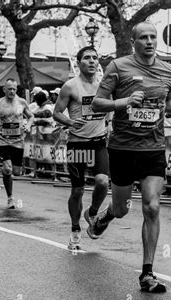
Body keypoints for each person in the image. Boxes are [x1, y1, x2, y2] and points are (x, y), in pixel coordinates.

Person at [91, 21, 171, 292]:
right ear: (133, 41)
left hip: (153, 148)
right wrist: (123, 102)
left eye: (153, 37)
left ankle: (147, 273)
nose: (149, 41)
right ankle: (107, 216)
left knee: (152, 206)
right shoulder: (118, 66)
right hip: (122, 148)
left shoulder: (169, 69)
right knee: (122, 209)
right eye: (143, 37)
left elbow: (167, 103)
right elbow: (98, 103)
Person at [53, 46, 110, 250]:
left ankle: (92, 211)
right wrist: (69, 123)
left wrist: (109, 124)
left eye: (95, 58)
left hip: (98, 142)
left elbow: (109, 107)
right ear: (78, 63)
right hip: (78, 144)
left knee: (103, 182)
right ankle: (75, 228)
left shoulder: (104, 85)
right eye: (87, 58)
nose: (92, 61)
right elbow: (57, 113)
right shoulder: (70, 86)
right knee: (77, 190)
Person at [0, 78, 34, 209]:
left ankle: (9, 178)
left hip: (18, 141)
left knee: (16, 172)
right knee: (7, 169)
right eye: (9, 89)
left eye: (14, 89)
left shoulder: (22, 102)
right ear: (4, 90)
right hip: (3, 140)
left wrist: (28, 125)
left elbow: (31, 116)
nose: (12, 91)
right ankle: (10, 197)